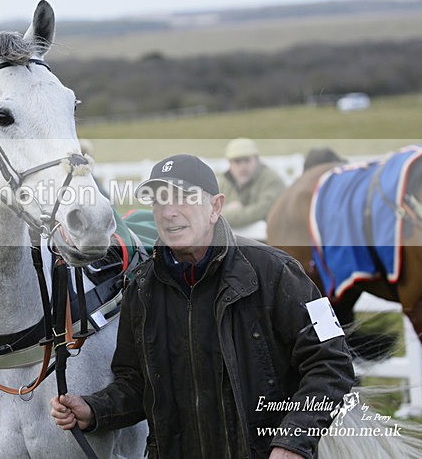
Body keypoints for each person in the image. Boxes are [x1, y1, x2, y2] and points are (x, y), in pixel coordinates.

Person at [50, 154, 354, 458]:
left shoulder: (278, 272)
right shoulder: (141, 289)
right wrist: (94, 410)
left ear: (216, 207)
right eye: (158, 201)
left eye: (183, 198)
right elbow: (138, 384)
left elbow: (331, 363)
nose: (169, 212)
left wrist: (293, 443)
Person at [218, 137, 286, 230]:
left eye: (247, 160)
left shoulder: (272, 181)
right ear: (229, 163)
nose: (242, 166)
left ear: (257, 160)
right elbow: (211, 210)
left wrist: (224, 214)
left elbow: (262, 211)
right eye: (237, 161)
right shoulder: (224, 182)